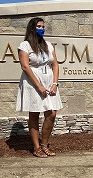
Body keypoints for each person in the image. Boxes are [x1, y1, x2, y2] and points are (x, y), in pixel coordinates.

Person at [16, 17, 62, 157]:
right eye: (39, 26)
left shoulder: (48, 45)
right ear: (32, 29)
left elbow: (55, 64)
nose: (42, 29)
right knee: (34, 114)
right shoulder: (25, 45)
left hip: (48, 80)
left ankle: (44, 144)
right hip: (32, 82)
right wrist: (39, 85)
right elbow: (25, 66)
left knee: (52, 113)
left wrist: (54, 83)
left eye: (43, 26)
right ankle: (36, 147)